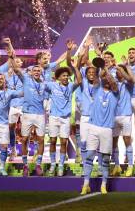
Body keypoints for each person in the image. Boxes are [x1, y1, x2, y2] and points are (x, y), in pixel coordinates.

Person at [80, 65, 119, 195]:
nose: (107, 80)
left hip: (107, 129)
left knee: (105, 159)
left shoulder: (115, 94)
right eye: (105, 79)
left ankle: (103, 185)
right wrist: (102, 66)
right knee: (89, 156)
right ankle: (85, 184)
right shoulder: (97, 89)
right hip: (93, 127)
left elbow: (113, 83)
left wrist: (108, 72)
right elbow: (98, 78)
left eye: (109, 79)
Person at [44, 40, 80, 176]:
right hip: (53, 117)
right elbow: (41, 79)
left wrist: (75, 67)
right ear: (58, 77)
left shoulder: (71, 86)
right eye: (63, 75)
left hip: (65, 118)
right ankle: (53, 164)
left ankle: (61, 165)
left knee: (64, 141)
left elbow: (79, 81)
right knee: (53, 140)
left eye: (67, 75)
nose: (66, 77)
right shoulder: (52, 85)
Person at [18, 65, 47, 176]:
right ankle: (25, 165)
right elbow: (17, 70)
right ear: (31, 72)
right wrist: (12, 57)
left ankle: (38, 165)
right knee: (24, 139)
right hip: (27, 114)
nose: (36, 72)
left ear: (41, 72)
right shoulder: (26, 80)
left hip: (40, 114)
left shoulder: (44, 84)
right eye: (34, 70)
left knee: (41, 139)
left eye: (38, 70)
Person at [111, 56, 135, 177]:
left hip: (126, 115)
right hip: (114, 115)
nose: (117, 72)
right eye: (116, 71)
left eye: (119, 71)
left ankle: (130, 166)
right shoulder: (113, 83)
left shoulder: (129, 83)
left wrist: (121, 67)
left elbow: (130, 79)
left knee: (127, 140)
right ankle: (117, 166)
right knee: (113, 142)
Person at [8, 57, 24, 161]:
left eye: (18, 61)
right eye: (14, 61)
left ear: (21, 63)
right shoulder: (6, 76)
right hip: (12, 105)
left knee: (25, 131)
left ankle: (25, 152)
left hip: (23, 105)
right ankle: (13, 151)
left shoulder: (25, 75)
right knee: (11, 129)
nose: (16, 63)